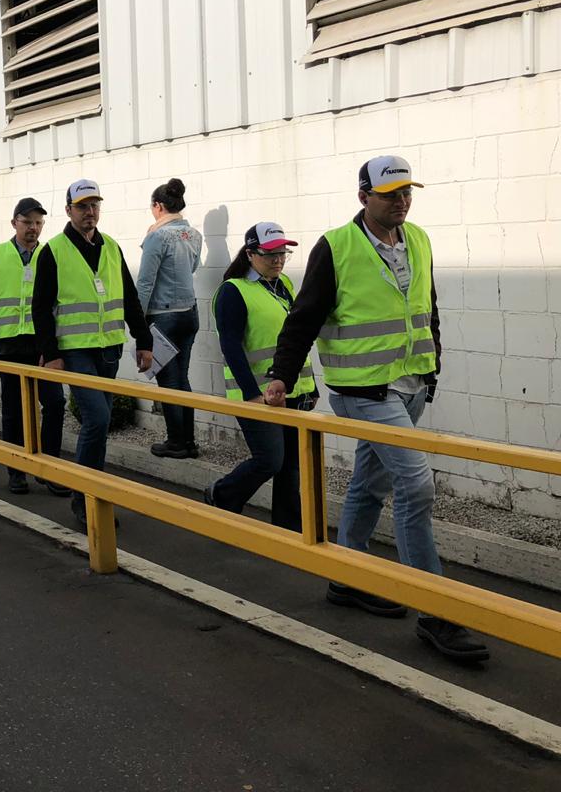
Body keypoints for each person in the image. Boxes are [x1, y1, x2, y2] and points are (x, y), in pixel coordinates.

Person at [265, 154, 486, 663]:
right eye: (390, 194)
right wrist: (280, 376)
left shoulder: (420, 240)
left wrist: (432, 370)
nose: (401, 202)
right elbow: (304, 317)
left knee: (371, 481)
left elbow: (427, 309)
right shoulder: (336, 247)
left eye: (407, 192)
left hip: (409, 387)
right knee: (415, 484)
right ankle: (436, 611)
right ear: (364, 197)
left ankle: (348, 574)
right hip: (363, 390)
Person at [34, 179, 154, 527]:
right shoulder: (53, 250)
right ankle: (85, 501)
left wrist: (143, 340)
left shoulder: (112, 247)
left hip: (109, 350)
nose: (90, 213)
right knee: (98, 419)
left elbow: (129, 298)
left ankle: (93, 493)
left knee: (97, 426)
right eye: (83, 206)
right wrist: (51, 353)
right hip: (75, 352)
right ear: (69, 210)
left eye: (94, 206)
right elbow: (40, 308)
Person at [205, 223, 315, 531]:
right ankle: (222, 494)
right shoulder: (233, 291)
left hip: (293, 391)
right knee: (270, 459)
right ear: (251, 254)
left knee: (292, 465)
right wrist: (251, 393)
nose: (278, 260)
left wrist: (311, 385)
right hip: (258, 394)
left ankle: (288, 529)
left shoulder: (285, 285)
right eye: (270, 254)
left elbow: (297, 340)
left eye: (283, 253)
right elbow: (230, 346)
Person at [0, 197, 69, 496]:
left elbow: (58, 303)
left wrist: (52, 347)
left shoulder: (50, 254)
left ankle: (49, 468)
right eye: (28, 222)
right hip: (9, 344)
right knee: (14, 410)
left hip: (42, 345)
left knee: (54, 404)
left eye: (39, 223)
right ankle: (16, 470)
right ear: (14, 222)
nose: (34, 229)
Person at [136, 177, 203, 459]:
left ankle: (176, 441)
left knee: (168, 382)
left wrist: (138, 323)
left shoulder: (157, 236)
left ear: (158, 206)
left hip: (163, 316)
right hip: (189, 313)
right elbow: (194, 266)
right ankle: (187, 440)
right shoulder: (194, 235)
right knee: (182, 379)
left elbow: (145, 283)